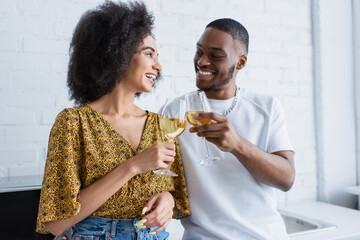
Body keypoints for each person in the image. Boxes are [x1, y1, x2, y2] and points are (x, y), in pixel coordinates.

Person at [36, 1, 190, 239]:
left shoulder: (162, 125)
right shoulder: (73, 123)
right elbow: (56, 223)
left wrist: (167, 201)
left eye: (157, 56)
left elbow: (175, 196)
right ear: (118, 51)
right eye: (149, 54)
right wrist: (133, 166)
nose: (158, 66)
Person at [169, 18, 295, 239]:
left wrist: (238, 145)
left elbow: (286, 179)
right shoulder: (175, 111)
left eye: (216, 55)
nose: (202, 61)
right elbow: (164, 179)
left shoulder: (266, 107)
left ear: (241, 63)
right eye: (199, 52)